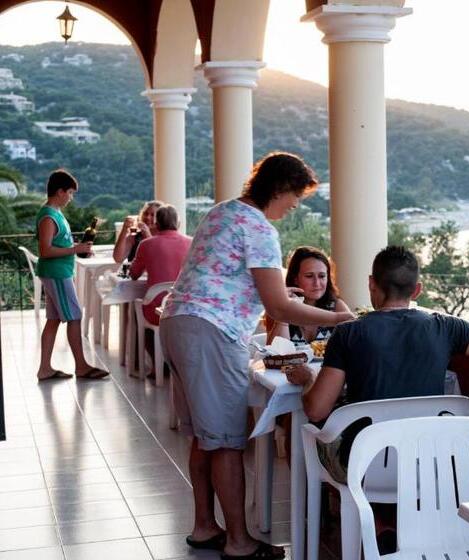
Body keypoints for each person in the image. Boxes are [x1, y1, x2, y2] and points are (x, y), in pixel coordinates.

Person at [159, 152, 355, 560]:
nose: (295, 205)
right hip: (211, 331)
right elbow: (279, 310)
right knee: (228, 441)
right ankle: (239, 542)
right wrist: (343, 320)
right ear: (280, 189)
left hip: (180, 322)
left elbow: (233, 278)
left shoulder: (223, 212)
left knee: (205, 435)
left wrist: (286, 297)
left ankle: (204, 525)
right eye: (295, 197)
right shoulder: (260, 228)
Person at [285, 245, 469, 482]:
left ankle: (358, 523)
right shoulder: (446, 328)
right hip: (429, 462)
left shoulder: (348, 334)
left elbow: (317, 410)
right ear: (417, 290)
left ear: (371, 283)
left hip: (365, 467)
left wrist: (308, 379)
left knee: (318, 437)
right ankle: (382, 524)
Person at [35, 169, 109, 381]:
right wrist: (74, 250)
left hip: (58, 272)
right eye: (70, 193)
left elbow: (59, 244)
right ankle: (81, 366)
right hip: (56, 273)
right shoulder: (48, 216)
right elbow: (45, 250)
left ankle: (45, 368)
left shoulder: (55, 214)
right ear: (60, 191)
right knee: (75, 316)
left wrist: (77, 246)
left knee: (54, 319)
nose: (71, 198)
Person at [129, 204, 192, 376]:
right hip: (184, 306)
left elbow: (133, 274)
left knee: (137, 312)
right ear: (178, 223)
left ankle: (155, 365)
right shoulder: (191, 243)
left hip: (157, 309)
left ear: (157, 223)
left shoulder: (146, 244)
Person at [265, 246, 351, 345]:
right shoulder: (278, 308)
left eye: (322, 276)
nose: (317, 283)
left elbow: (354, 345)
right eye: (309, 276)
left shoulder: (336, 306)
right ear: (295, 279)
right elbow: (275, 354)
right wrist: (284, 311)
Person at [112, 199, 162, 264]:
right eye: (145, 213)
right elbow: (117, 259)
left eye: (152, 215)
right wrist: (124, 230)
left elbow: (159, 260)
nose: (148, 217)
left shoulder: (165, 236)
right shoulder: (135, 237)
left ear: (161, 217)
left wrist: (148, 235)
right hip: (135, 273)